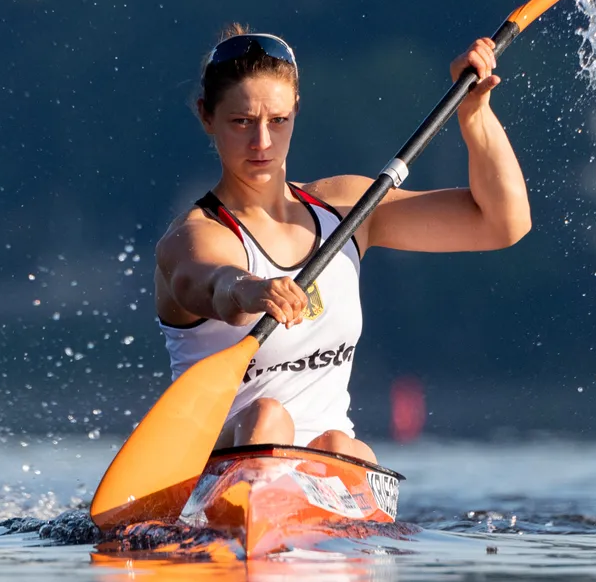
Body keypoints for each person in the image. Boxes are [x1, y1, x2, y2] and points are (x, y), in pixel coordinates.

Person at [154, 25, 530, 464]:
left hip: (323, 464)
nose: (262, 142)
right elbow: (215, 285)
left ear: (296, 110)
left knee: (346, 448)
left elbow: (502, 223)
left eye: (278, 121)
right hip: (220, 458)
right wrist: (251, 290)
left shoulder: (346, 208)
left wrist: (475, 113)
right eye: (241, 122)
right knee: (267, 418)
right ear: (206, 116)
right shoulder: (194, 235)